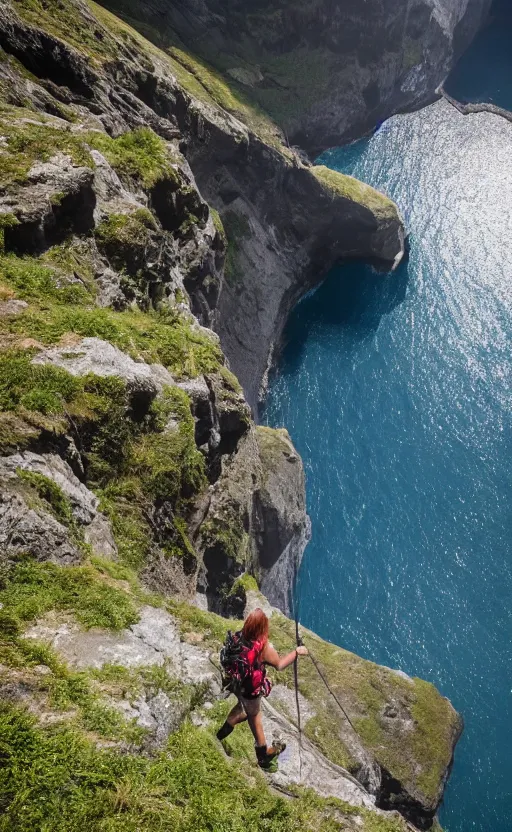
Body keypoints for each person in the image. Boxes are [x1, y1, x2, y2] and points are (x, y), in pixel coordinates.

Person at [216, 607, 308, 769]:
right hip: (251, 691)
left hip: (238, 684)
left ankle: (220, 734)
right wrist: (296, 652)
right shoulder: (263, 649)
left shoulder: (239, 637)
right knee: (255, 718)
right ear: (262, 628)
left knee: (242, 709)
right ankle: (263, 758)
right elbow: (279, 665)